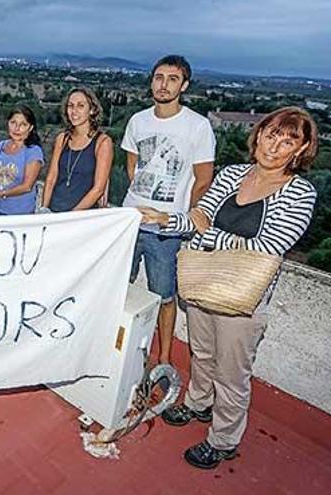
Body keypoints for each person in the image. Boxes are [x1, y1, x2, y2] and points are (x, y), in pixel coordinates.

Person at [140, 107, 318, 469]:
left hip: (245, 299)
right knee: (202, 355)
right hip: (205, 284)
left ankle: (224, 440)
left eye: (288, 141)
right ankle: (197, 404)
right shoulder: (232, 174)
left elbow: (267, 247)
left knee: (232, 373)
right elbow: (196, 217)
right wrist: (165, 219)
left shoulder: (300, 193)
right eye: (271, 134)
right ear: (259, 134)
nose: (275, 146)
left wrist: (209, 231)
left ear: (300, 151)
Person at [121, 55, 215, 365]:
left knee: (164, 296)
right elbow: (132, 168)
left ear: (184, 85)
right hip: (131, 221)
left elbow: (203, 181)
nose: (164, 84)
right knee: (119, 286)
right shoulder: (138, 120)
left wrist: (186, 223)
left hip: (167, 230)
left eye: (172, 79)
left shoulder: (198, 126)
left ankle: (161, 358)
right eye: (159, 77)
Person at [41, 87, 113, 212]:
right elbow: (51, 177)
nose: (74, 111)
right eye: (70, 106)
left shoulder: (102, 142)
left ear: (92, 110)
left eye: (80, 106)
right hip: (54, 210)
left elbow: (98, 189)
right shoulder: (62, 139)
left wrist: (72, 216)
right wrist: (43, 209)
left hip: (81, 217)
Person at [0, 105, 44, 215]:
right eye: (13, 123)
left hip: (18, 212)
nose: (17, 128)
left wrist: (0, 194)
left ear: (30, 128)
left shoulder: (33, 151)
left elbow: (27, 186)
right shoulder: (2, 145)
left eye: (23, 124)